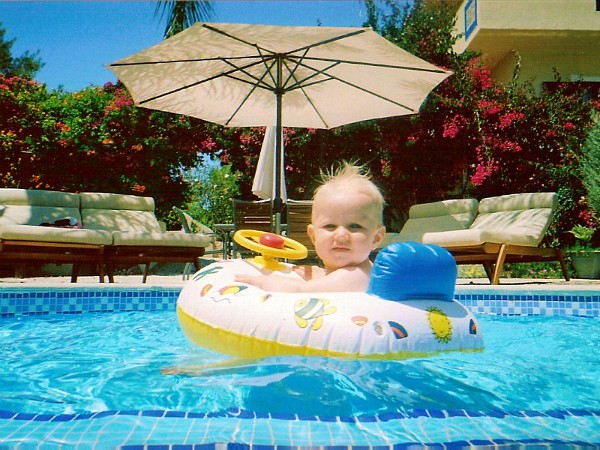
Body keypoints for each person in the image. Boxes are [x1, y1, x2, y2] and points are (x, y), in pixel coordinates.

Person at [235, 162, 386, 292]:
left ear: (376, 238)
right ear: (313, 236)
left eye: (354, 226)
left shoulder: (357, 275)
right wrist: (317, 274)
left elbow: (301, 290)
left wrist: (263, 281)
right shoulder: (343, 275)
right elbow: (332, 281)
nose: (341, 235)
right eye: (330, 226)